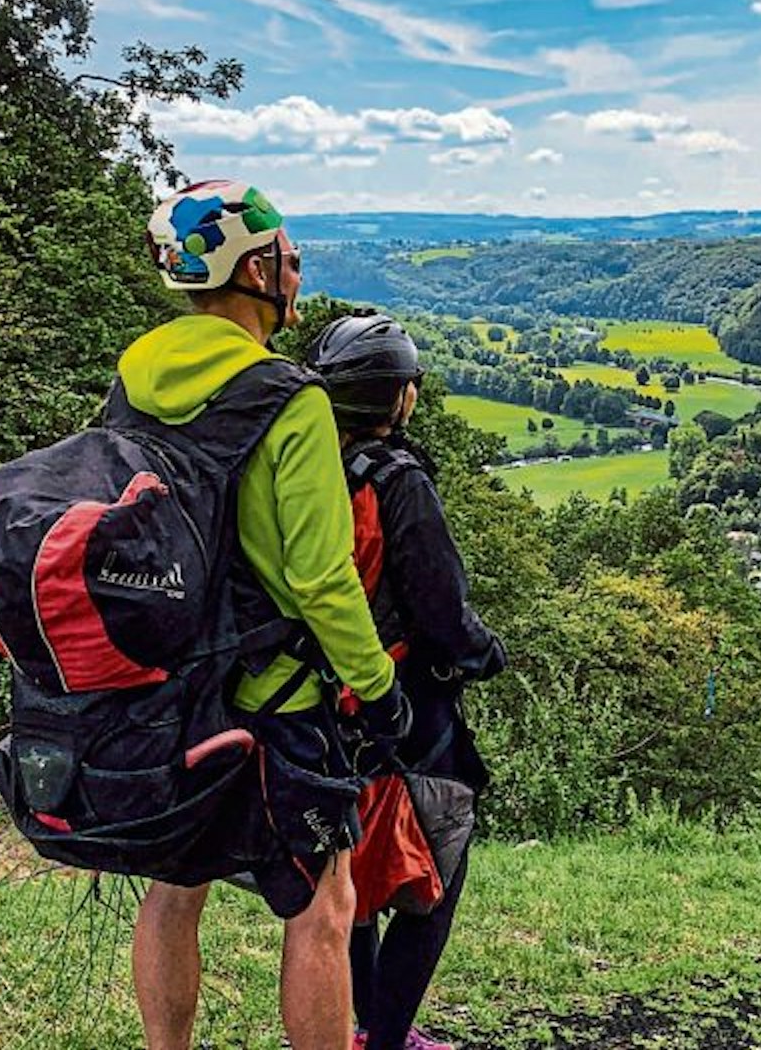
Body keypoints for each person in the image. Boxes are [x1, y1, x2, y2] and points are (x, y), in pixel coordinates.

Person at [123, 180, 410, 1050]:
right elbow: (322, 577)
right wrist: (378, 686)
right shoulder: (291, 398)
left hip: (173, 688)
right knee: (325, 903)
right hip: (275, 694)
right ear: (254, 271)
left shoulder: (136, 374)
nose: (294, 274)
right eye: (288, 259)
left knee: (175, 887)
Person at [306, 315, 507, 1050]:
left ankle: (361, 1027)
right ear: (401, 399)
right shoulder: (399, 481)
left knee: (349, 868)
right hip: (404, 704)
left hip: (321, 703)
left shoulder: (307, 472)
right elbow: (441, 608)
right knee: (439, 872)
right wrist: (488, 653)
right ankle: (385, 1037)